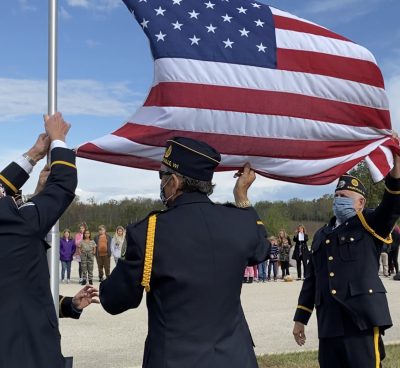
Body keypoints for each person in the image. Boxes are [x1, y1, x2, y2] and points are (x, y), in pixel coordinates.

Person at [100, 137, 269, 368]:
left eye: (162, 177)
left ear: (175, 181)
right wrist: (242, 198)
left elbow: (115, 300)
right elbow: (262, 249)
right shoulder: (239, 222)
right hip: (236, 358)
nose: (161, 183)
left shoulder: (149, 231)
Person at [292, 150, 400, 368]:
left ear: (360, 202)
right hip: (329, 322)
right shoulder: (322, 235)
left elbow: (391, 205)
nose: (339, 200)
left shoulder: (369, 224)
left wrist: (396, 167)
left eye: (345, 197)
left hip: (360, 320)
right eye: (337, 195)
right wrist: (300, 319)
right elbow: (311, 279)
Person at [0, 112, 79, 368]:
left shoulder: (16, 223)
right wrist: (58, 140)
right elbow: (64, 184)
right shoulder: (17, 224)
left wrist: (34, 155)